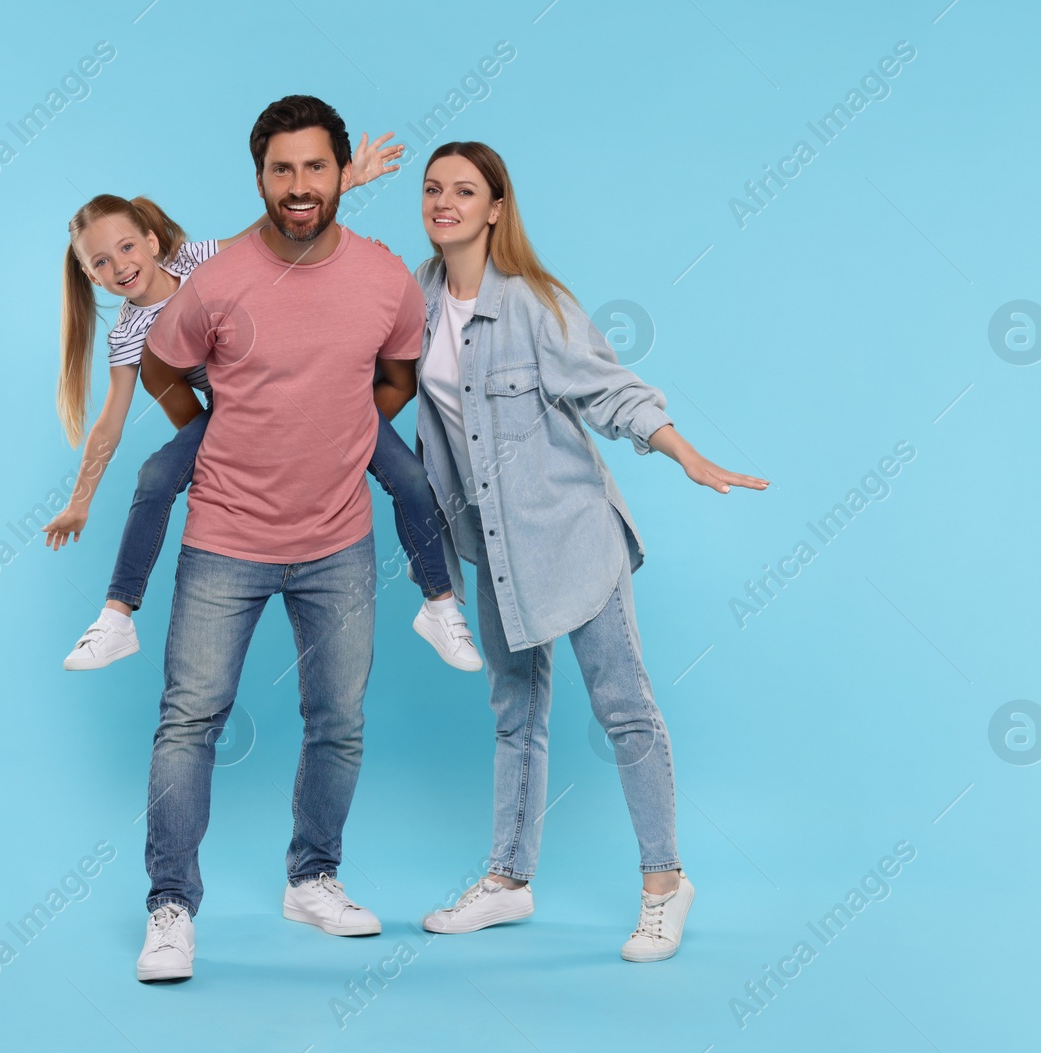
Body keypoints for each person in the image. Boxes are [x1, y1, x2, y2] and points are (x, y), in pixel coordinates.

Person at [409, 142, 769, 961]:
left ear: (496, 207)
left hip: (571, 533)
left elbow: (611, 393)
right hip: (493, 545)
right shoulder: (416, 298)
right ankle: (508, 879)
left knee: (624, 709)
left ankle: (664, 883)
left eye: (465, 190)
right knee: (515, 713)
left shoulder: (535, 302)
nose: (445, 202)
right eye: (433, 189)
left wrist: (686, 453)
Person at [133, 96, 434, 981]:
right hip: (225, 535)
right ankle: (170, 905)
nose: (298, 187)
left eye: (315, 167)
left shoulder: (385, 277)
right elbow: (159, 359)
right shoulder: (220, 279)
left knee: (337, 721)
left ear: (342, 173)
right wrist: (210, 432)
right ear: (259, 177)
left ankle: (314, 878)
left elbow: (399, 372)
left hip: (337, 542)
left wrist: (341, 438)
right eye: (281, 169)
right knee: (189, 721)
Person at [40, 148, 480, 674]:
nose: (120, 266)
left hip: (313, 392)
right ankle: (116, 617)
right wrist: (79, 502)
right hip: (233, 415)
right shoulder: (128, 334)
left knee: (409, 476)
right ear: (92, 277)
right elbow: (109, 423)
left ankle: (440, 604)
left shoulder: (195, 260)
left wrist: (348, 182)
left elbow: (264, 230)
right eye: (101, 263)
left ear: (152, 242)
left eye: (126, 247)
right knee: (155, 474)